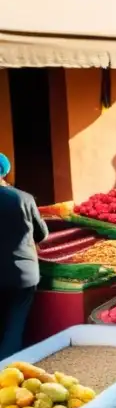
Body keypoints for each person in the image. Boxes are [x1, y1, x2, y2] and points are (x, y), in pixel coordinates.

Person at [0, 153, 48, 357]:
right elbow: (42, 234)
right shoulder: (23, 198)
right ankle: (7, 375)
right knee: (13, 328)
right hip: (21, 274)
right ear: (5, 172)